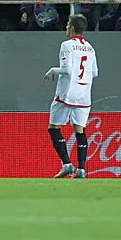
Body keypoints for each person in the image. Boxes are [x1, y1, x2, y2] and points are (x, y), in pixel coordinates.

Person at [43, 14, 98, 180]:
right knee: (79, 130)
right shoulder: (90, 47)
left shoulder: (67, 45)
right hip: (84, 95)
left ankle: (67, 164)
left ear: (72, 27)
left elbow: (66, 69)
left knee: (54, 128)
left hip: (67, 93)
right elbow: (94, 73)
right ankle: (81, 168)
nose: (66, 27)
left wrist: (52, 70)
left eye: (68, 24)